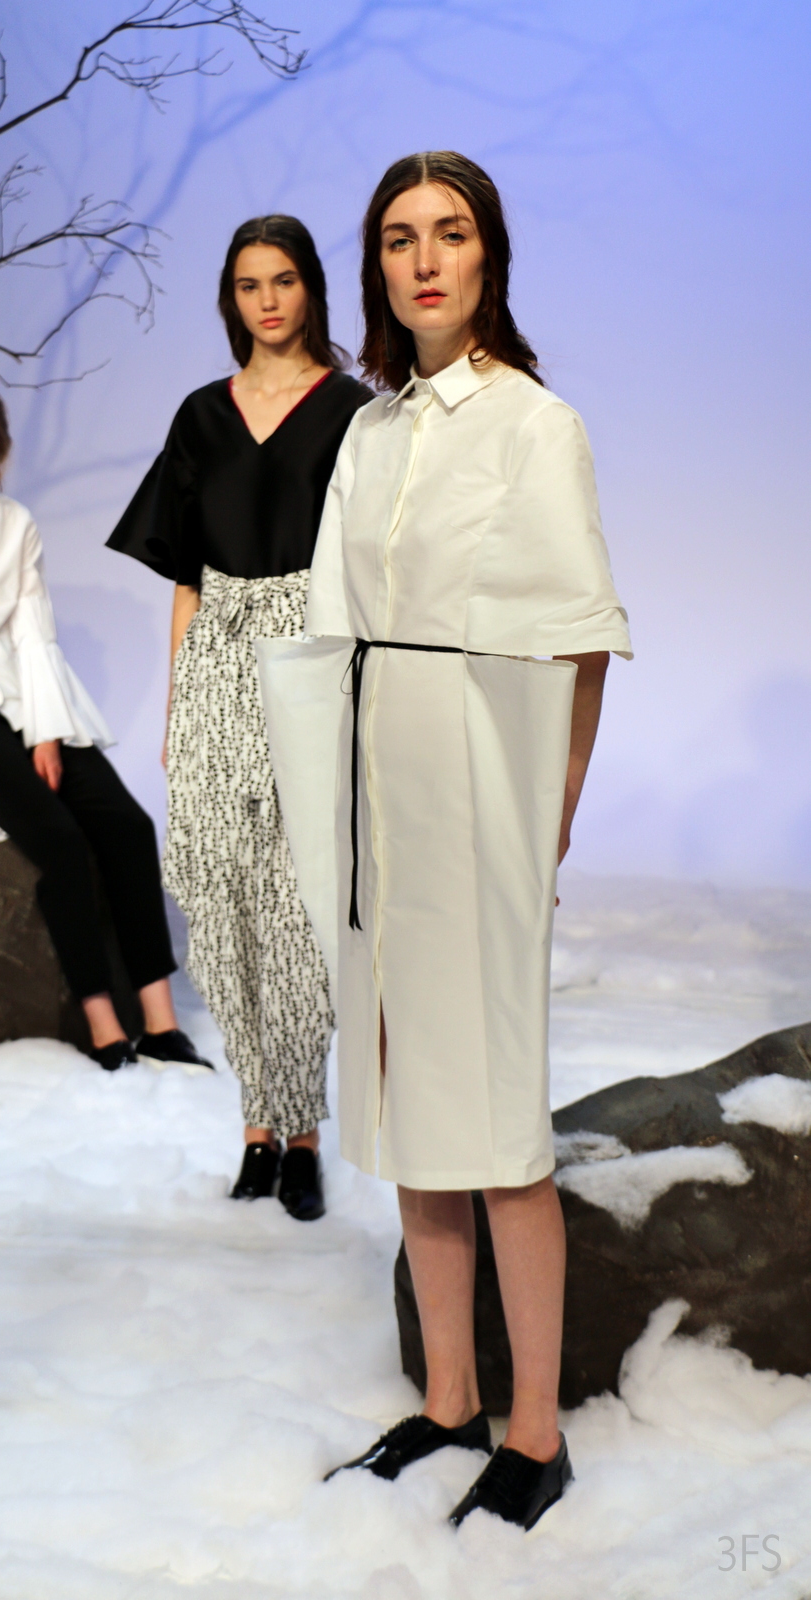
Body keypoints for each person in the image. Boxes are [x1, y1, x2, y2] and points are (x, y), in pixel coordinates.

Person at [256, 153, 632, 1528]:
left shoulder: (536, 424)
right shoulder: (371, 432)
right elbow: (332, 624)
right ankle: (451, 1396)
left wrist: (550, 817)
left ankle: (535, 1431)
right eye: (398, 238)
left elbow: (579, 636)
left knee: (498, 1120)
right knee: (416, 1103)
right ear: (377, 266)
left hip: (481, 790)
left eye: (450, 233)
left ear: (489, 257)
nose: (424, 260)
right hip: (378, 792)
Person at [107, 216, 372, 1220]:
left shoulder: (353, 411)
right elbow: (186, 576)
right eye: (249, 284)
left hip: (313, 654)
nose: (267, 300)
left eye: (284, 280)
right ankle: (256, 1123)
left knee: (296, 902)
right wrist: (179, 706)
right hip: (217, 657)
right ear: (231, 297)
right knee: (219, 895)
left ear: (311, 289)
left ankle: (300, 1135)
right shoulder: (200, 415)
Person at [0, 375, 211, 1076]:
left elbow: (32, 632)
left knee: (128, 827)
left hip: (25, 695)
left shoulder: (15, 521)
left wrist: (46, 729)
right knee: (59, 841)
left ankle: (161, 1023)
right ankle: (103, 1024)